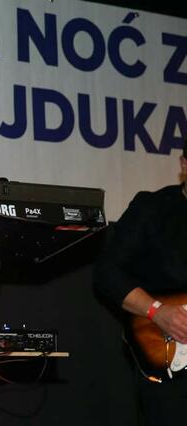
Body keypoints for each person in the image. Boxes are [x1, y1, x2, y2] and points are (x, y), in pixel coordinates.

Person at [93, 139, 187, 426]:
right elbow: (107, 273)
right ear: (184, 165)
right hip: (170, 357)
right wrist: (157, 311)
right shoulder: (152, 208)